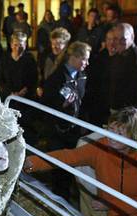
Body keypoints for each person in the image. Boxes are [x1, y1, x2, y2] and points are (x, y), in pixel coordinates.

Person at [41, 41, 91, 201]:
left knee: (70, 165)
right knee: (58, 167)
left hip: (73, 129)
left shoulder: (82, 76)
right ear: (74, 57)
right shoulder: (56, 78)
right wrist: (61, 105)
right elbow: (45, 104)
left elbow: (83, 100)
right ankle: (58, 201)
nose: (87, 63)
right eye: (84, 59)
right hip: (57, 131)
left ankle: (66, 198)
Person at [0, 32, 38, 144]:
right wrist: (10, 93)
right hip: (9, 97)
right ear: (11, 45)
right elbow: (0, 79)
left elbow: (34, 78)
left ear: (25, 45)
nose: (18, 48)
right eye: (15, 44)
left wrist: (24, 91)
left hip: (25, 98)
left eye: (21, 44)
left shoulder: (29, 59)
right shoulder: (4, 59)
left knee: (25, 125)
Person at [109, 23, 137, 114]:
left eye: (123, 39)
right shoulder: (120, 54)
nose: (118, 42)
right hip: (120, 108)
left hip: (130, 112)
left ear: (132, 37)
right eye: (116, 38)